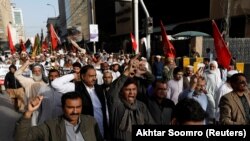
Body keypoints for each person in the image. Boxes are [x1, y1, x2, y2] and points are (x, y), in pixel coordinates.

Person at [14, 91, 103, 141]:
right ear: (63, 108)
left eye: (78, 107)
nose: (75, 111)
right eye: (70, 107)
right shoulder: (50, 126)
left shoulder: (90, 121)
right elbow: (22, 138)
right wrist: (28, 112)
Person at [52, 65, 109, 140]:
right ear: (83, 76)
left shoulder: (99, 88)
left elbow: (104, 110)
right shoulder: (76, 87)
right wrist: (74, 75)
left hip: (101, 128)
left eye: (95, 75)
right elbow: (55, 84)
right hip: (85, 129)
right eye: (91, 76)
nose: (94, 78)